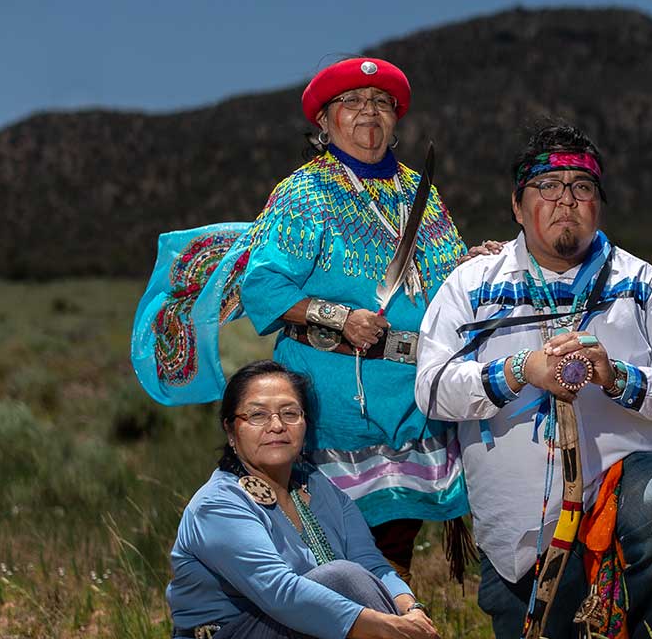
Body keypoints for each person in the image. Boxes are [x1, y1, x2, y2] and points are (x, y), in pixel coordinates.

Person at [131, 57, 471, 580]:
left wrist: (477, 266)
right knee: (334, 545)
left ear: (396, 119)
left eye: (381, 103)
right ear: (324, 122)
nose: (368, 112)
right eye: (352, 102)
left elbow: (445, 274)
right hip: (333, 393)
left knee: (396, 544)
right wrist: (337, 315)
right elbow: (263, 284)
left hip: (410, 392)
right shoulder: (304, 193)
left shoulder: (419, 194)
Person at [414, 123, 652, 639]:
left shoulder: (639, 282)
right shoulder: (473, 284)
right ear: (517, 206)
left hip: (617, 489)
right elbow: (433, 387)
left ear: (598, 202)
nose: (566, 199)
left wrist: (616, 376)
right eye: (547, 186)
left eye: (580, 185)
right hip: (522, 533)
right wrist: (519, 370)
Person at [162, 359, 551, 639]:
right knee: (341, 580)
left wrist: (410, 613)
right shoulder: (219, 504)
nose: (276, 425)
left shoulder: (316, 486)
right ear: (230, 428)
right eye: (257, 415)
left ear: (305, 423)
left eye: (289, 413)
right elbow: (283, 593)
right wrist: (389, 630)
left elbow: (373, 563)